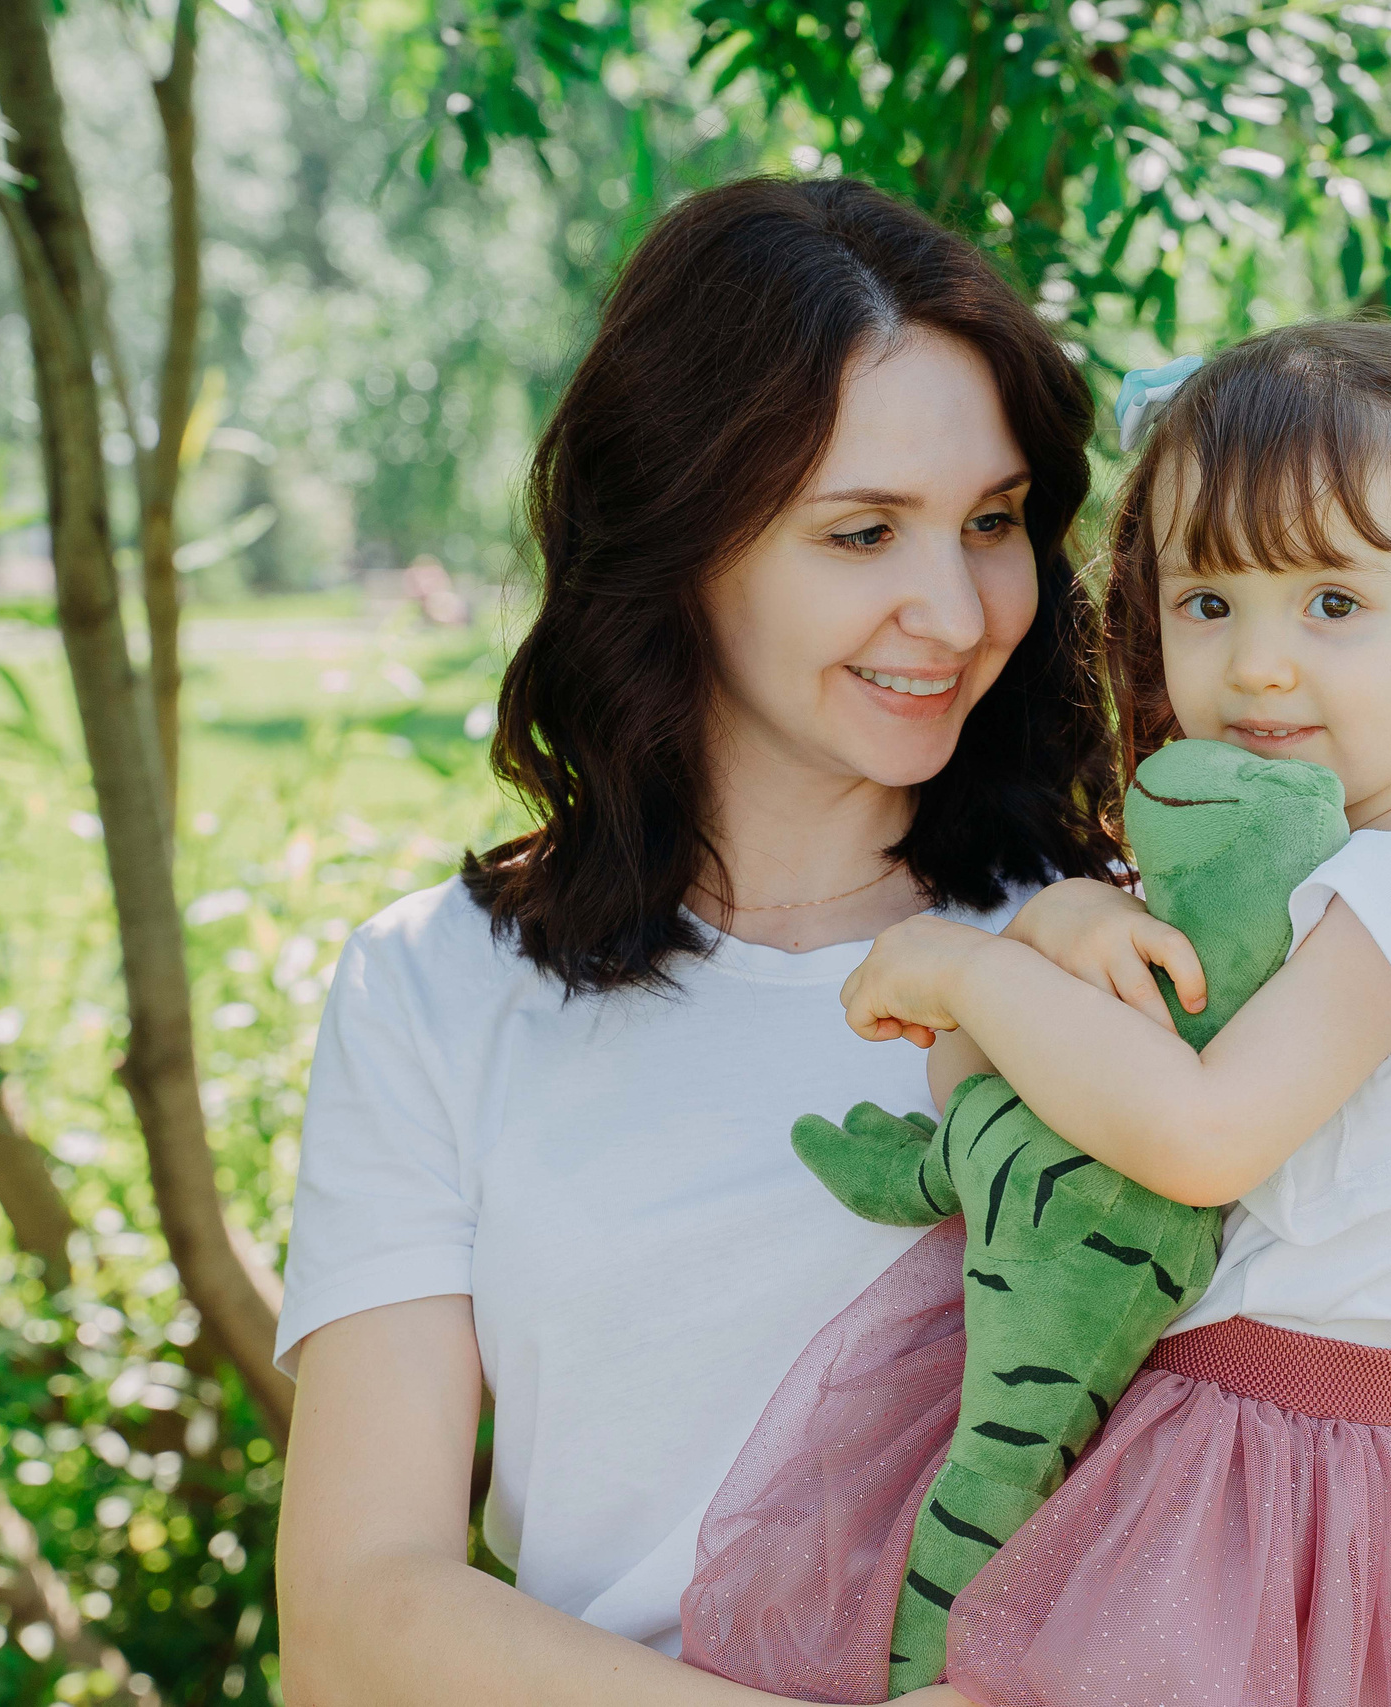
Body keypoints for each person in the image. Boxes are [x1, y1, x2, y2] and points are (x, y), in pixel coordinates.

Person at [688, 322, 1391, 1705]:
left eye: (1332, 603)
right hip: (1196, 1417)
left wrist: (966, 969)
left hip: (1277, 1474)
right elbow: (1004, 1121)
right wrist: (1052, 935)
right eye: (1209, 603)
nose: (1256, 665)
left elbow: (1197, 1140)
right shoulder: (1276, 877)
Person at [270, 175, 1128, 1707]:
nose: (953, 606)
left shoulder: (1108, 952)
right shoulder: (435, 987)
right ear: (684, 538)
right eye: (862, 533)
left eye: (993, 523)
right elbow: (355, 1610)